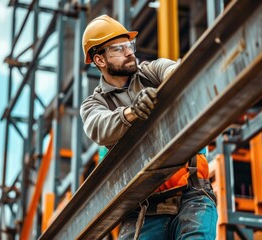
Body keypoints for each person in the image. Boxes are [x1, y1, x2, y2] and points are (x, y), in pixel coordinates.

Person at [80, 15, 217, 240]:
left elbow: (178, 74)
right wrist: (132, 112)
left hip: (191, 194)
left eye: (129, 45)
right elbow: (99, 127)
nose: (129, 52)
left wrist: (169, 89)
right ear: (100, 60)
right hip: (142, 210)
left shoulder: (151, 72)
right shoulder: (94, 104)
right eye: (118, 49)